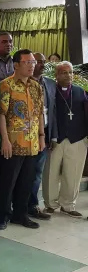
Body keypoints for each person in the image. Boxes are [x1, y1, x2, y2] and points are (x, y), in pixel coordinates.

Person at [0, 49, 45, 230]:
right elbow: (1, 114)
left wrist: (42, 136)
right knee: (6, 182)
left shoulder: (36, 86)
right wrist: (5, 140)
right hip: (12, 144)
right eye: (28, 62)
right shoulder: (6, 85)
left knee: (26, 182)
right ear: (16, 65)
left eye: (33, 62)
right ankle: (2, 216)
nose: (32, 66)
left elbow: (39, 113)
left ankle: (20, 214)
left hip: (32, 143)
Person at [43, 61, 88, 218]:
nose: (68, 75)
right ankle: (50, 204)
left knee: (73, 173)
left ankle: (68, 205)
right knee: (51, 172)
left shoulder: (80, 91)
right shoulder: (50, 91)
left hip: (77, 137)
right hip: (56, 138)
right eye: (63, 72)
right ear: (56, 75)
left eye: (70, 72)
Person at [28, 52, 55, 221]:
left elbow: (54, 112)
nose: (41, 64)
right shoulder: (21, 83)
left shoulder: (51, 84)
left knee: (37, 173)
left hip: (43, 136)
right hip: (24, 137)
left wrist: (52, 136)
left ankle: (32, 206)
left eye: (43, 62)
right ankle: (17, 205)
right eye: (38, 61)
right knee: (23, 173)